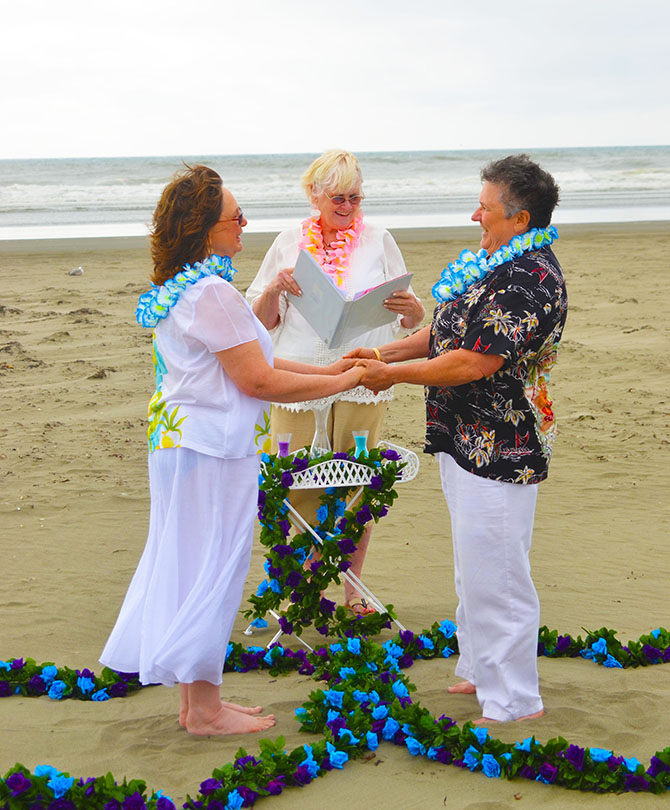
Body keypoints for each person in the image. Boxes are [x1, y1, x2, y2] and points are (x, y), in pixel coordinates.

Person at [100, 165, 363, 736]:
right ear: (204, 229)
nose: (245, 225)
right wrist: (343, 383)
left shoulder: (183, 287)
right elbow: (259, 382)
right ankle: (205, 711)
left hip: (179, 442)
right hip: (211, 449)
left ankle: (198, 703)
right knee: (213, 568)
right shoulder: (213, 292)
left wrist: (331, 369)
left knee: (194, 564)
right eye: (235, 217)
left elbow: (257, 359)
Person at [349, 154, 567, 724]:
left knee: (498, 570)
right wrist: (380, 352)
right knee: (474, 565)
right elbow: (442, 334)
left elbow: (473, 362)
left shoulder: (531, 277)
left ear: (520, 219)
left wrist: (388, 375)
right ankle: (478, 668)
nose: (476, 214)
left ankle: (516, 699)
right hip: (460, 438)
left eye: (486, 206)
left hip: (501, 446)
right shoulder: (493, 262)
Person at [246, 149, 424, 614]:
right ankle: (294, 588)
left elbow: (414, 316)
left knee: (357, 483)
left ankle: (353, 593)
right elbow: (259, 324)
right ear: (314, 195)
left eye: (355, 197)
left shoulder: (379, 238)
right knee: (293, 480)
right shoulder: (288, 240)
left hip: (362, 373)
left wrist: (411, 311)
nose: (348, 207)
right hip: (297, 375)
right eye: (338, 197)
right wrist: (274, 290)